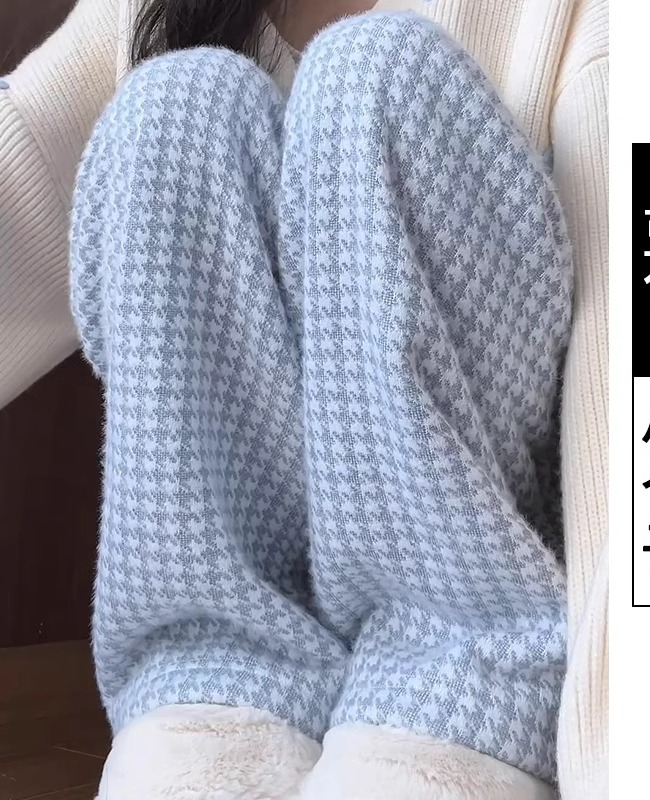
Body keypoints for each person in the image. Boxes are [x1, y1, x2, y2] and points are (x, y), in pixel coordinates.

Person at [0, 2, 608, 798]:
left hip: (474, 687)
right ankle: (213, 690)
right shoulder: (145, 14)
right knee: (173, 111)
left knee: (378, 78)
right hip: (210, 699)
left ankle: (457, 686)